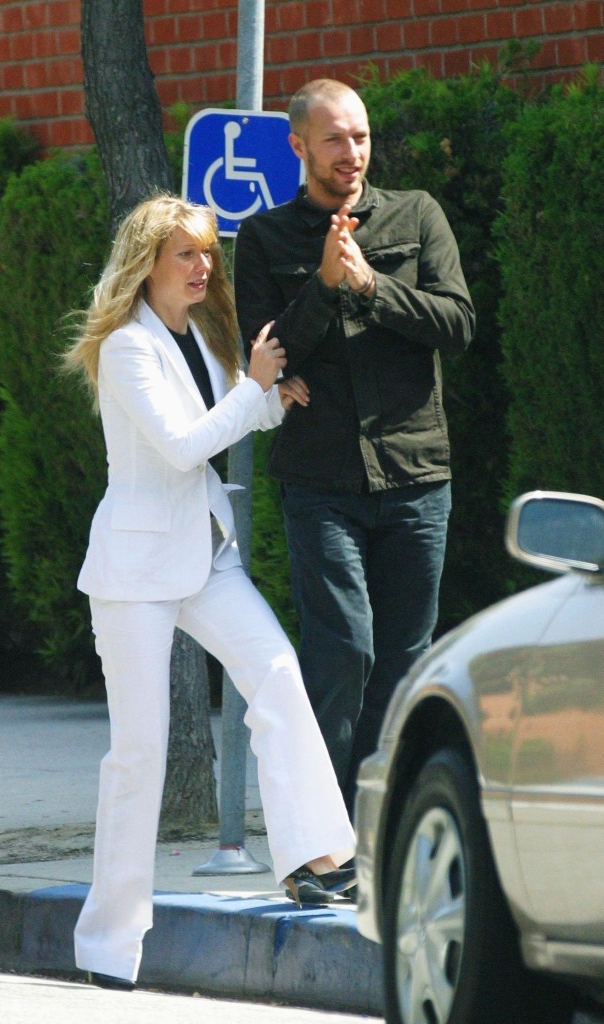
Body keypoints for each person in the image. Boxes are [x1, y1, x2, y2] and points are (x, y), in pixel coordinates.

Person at [63, 194, 355, 992]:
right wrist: (252, 388)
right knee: (139, 754)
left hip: (203, 551)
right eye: (185, 254)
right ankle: (108, 946)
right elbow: (184, 443)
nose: (202, 267)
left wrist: (271, 398)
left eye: (207, 254)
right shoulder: (126, 346)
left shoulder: (196, 334)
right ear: (148, 262)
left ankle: (315, 857)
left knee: (277, 673)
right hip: (135, 569)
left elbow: (234, 416)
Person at [234, 79, 475, 817]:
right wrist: (323, 286)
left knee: (404, 662)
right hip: (321, 483)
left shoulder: (417, 214)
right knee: (342, 650)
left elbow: (457, 324)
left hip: (415, 476)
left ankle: (379, 819)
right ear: (298, 145)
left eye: (360, 136)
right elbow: (264, 354)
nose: (352, 152)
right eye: (334, 138)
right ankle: (322, 828)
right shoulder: (264, 237)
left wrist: (370, 286)